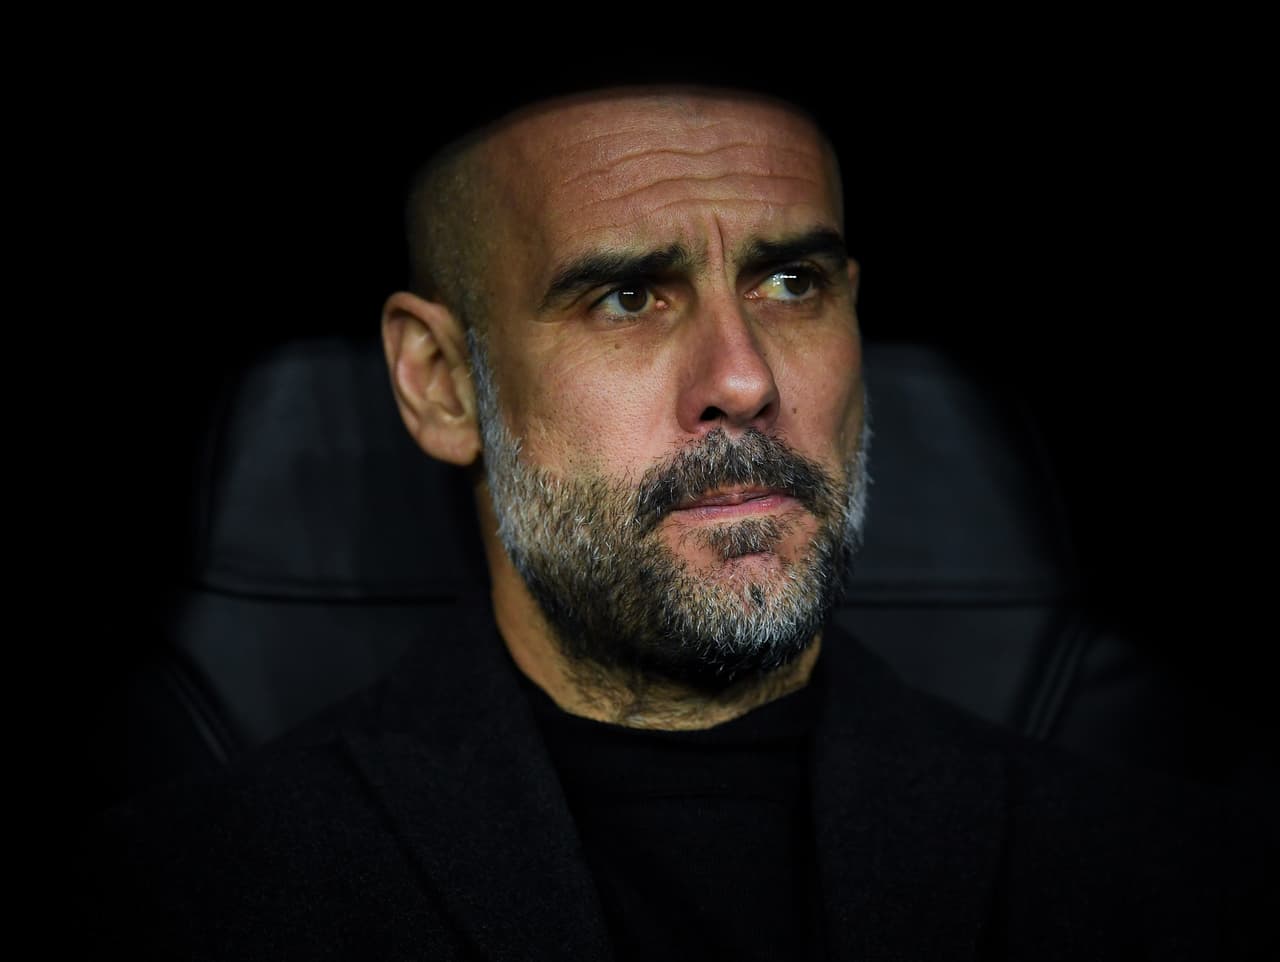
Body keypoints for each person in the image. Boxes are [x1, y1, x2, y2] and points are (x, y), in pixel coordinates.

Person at [80, 82, 1273, 960]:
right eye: (627, 295)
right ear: (442, 381)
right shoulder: (186, 905)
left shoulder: (1168, 889)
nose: (743, 378)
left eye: (791, 282)